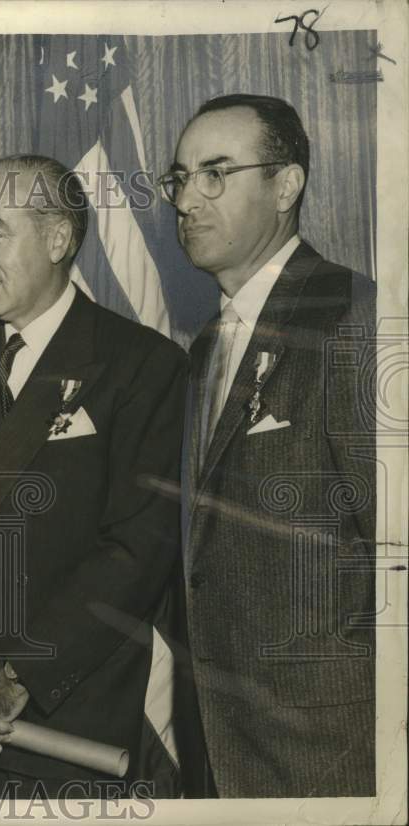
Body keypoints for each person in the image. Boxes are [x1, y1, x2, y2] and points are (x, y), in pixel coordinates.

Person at [0, 154, 188, 798]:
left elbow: (137, 549)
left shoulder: (144, 365)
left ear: (58, 238)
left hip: (78, 722)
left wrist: (21, 671)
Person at [160, 93, 376, 797]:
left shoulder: (353, 316)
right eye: (181, 176)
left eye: (217, 172)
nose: (188, 197)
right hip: (223, 750)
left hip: (331, 752)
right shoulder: (204, 350)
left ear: (285, 186)